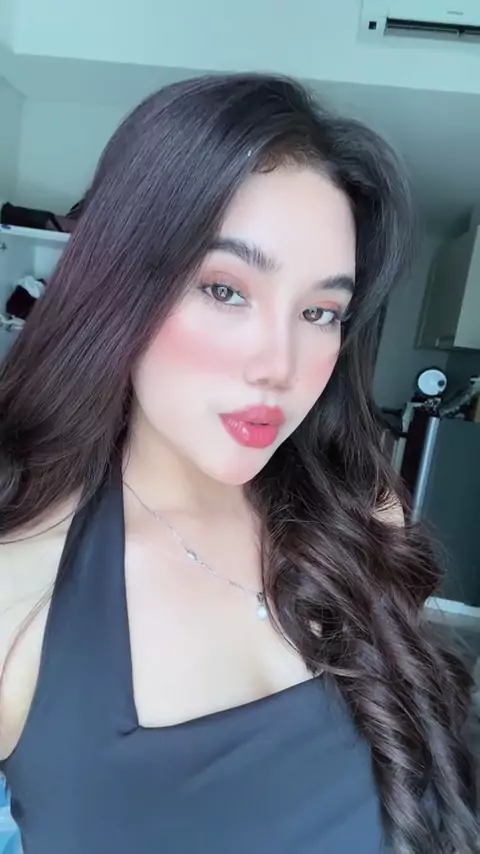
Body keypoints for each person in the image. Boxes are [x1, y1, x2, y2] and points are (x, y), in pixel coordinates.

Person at [0, 73, 477, 854]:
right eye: (225, 290)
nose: (278, 365)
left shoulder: (364, 515)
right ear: (121, 286)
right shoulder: (18, 588)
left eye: (320, 311)